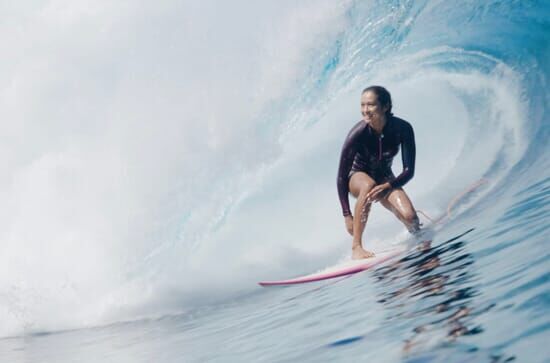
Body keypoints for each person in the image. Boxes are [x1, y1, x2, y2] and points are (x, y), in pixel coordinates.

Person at [337, 86, 420, 259]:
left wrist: (388, 186)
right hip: (357, 177)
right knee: (368, 184)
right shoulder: (358, 133)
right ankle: (356, 248)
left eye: (371, 105)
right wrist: (347, 214)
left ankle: (417, 236)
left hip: (384, 179)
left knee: (411, 218)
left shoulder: (403, 128)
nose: (365, 110)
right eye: (362, 105)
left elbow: (409, 171)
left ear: (385, 106)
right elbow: (341, 176)